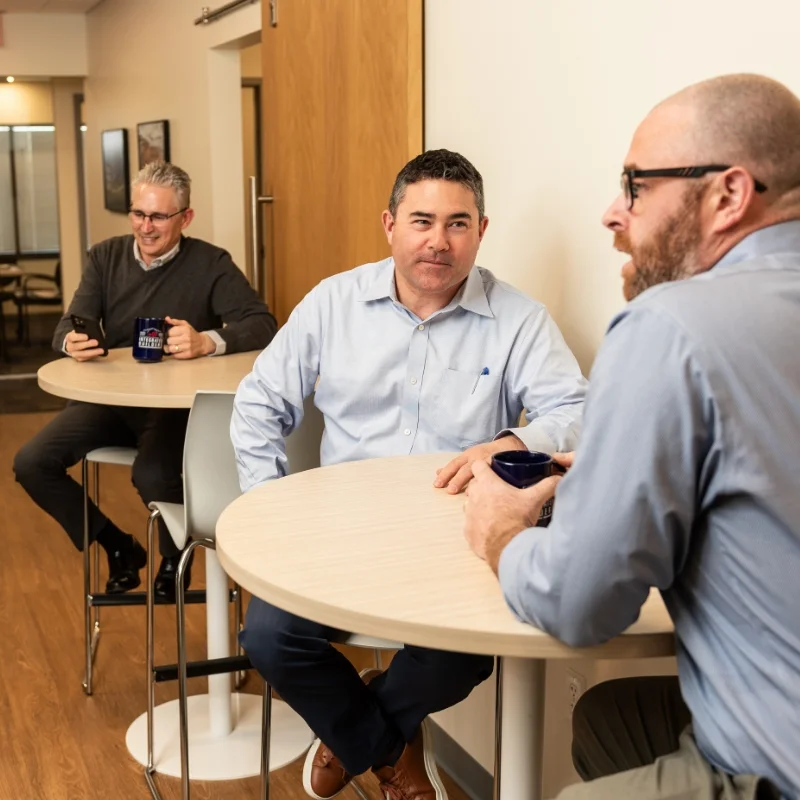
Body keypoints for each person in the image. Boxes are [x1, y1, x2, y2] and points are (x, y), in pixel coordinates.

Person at [462, 73, 800, 800]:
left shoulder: (670, 325)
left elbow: (579, 605)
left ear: (729, 194)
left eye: (636, 186)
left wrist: (501, 535)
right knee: (610, 719)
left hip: (780, 770)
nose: (612, 213)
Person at [232, 149, 587, 800]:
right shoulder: (333, 303)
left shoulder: (519, 318)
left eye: (458, 224)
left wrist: (509, 441)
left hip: (454, 534)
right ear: (390, 224)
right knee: (269, 638)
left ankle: (357, 730)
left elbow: (576, 411)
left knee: (468, 653)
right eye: (422, 220)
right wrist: (268, 506)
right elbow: (258, 403)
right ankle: (389, 749)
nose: (438, 241)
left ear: (482, 231)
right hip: (338, 527)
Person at [14, 161, 276, 603]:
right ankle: (117, 545)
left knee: (153, 474)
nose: (145, 227)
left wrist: (208, 341)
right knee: (31, 462)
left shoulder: (211, 263)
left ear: (186, 218)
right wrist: (71, 341)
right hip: (109, 401)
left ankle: (175, 556)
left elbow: (262, 324)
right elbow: (68, 324)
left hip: (172, 409)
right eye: (138, 213)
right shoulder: (105, 256)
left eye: (158, 216)